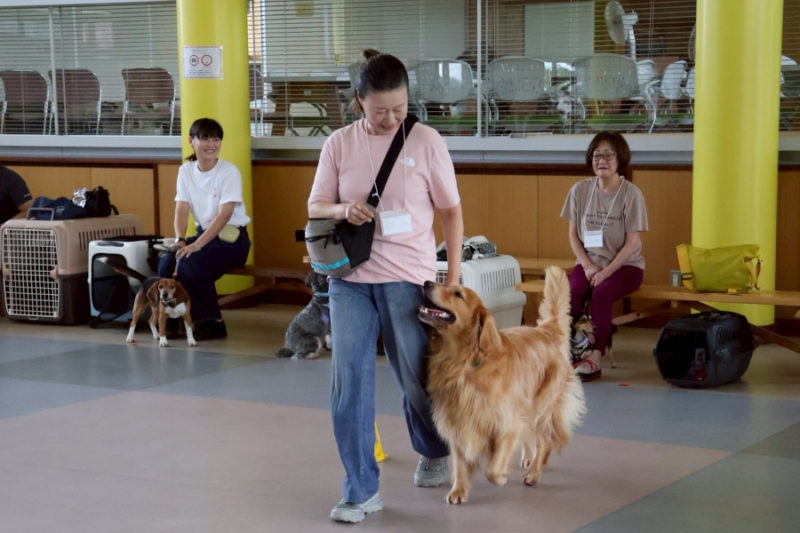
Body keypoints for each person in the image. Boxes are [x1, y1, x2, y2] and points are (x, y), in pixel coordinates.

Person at [308, 49, 464, 524]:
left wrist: (452, 279)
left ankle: (434, 448)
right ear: (359, 101)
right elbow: (316, 205)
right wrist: (344, 209)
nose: (392, 119)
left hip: (408, 278)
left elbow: (451, 212)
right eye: (380, 111)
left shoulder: (427, 141)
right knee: (349, 385)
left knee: (416, 377)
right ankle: (361, 490)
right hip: (350, 279)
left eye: (400, 108)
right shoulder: (338, 144)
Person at [560, 131, 648, 382]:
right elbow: (573, 236)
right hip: (590, 261)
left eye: (608, 155)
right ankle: (576, 350)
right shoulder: (579, 190)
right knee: (572, 292)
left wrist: (606, 272)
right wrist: (587, 266)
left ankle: (595, 358)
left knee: (601, 294)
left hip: (625, 266)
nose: (602, 160)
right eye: (597, 155)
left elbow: (632, 242)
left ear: (620, 159)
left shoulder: (631, 194)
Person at [157, 118, 251, 341]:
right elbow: (181, 207)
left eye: (216, 139)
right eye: (205, 139)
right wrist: (180, 239)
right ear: (191, 141)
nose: (211, 144)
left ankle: (211, 322)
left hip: (232, 240)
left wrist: (197, 245)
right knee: (167, 261)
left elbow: (224, 215)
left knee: (192, 264)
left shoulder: (229, 172)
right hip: (205, 236)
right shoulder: (186, 171)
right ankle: (172, 320)